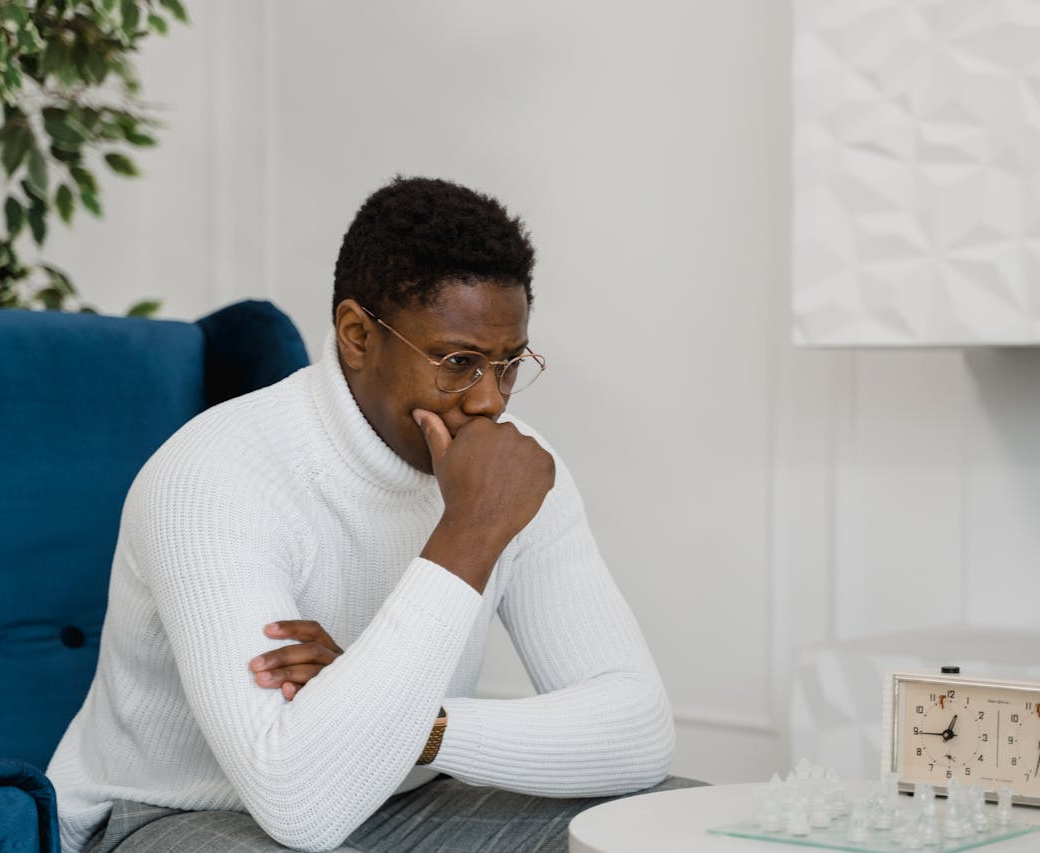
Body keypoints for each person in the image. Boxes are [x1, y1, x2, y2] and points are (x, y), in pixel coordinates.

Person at [47, 177, 697, 853]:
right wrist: (469, 532)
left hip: (403, 795)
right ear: (358, 335)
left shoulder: (515, 473)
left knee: (684, 825)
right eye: (458, 362)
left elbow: (638, 731)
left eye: (508, 363)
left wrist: (420, 727)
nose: (491, 402)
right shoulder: (214, 476)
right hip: (170, 816)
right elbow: (298, 801)